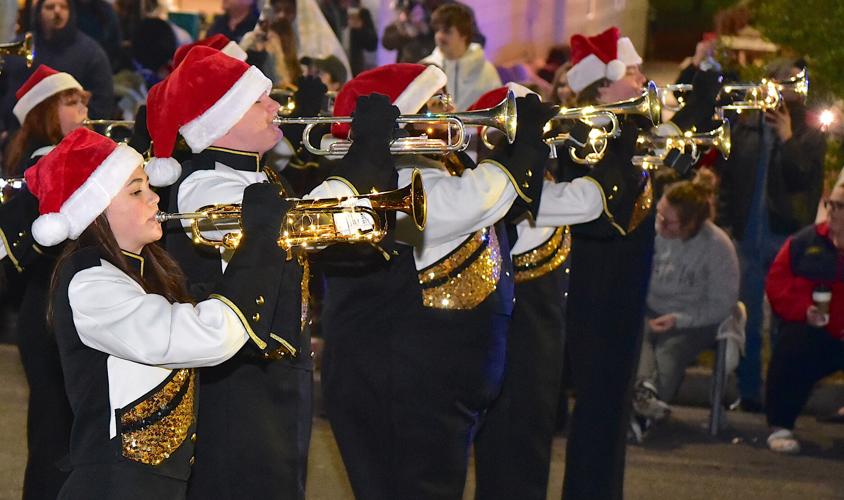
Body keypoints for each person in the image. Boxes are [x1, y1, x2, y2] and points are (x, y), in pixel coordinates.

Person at [317, 63, 629, 500]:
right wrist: (521, 146)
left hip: (437, 387)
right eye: (436, 101)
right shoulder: (399, 183)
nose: (450, 108)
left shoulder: (440, 170)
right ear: (404, 117)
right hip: (402, 386)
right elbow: (476, 200)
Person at [145, 45, 365, 500]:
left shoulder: (258, 177)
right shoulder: (205, 183)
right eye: (258, 100)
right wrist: (363, 160)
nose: (275, 107)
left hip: (273, 374)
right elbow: (289, 228)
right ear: (221, 121)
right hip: (238, 384)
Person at [26, 127, 290, 498]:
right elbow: (208, 336)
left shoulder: (145, 274)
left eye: (149, 186)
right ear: (94, 212)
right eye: (136, 191)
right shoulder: (91, 283)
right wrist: (259, 240)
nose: (153, 198)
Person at [715, 58, 827, 412]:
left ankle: (781, 392)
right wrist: (726, 224)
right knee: (747, 318)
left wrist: (787, 138)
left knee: (784, 321)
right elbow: (728, 181)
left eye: (794, 83)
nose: (788, 90)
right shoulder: (747, 127)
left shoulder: (809, 132)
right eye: (783, 81)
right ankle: (749, 390)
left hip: (786, 236)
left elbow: (800, 178)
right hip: (748, 237)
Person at [0, 65, 88, 500]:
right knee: (53, 429)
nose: (84, 109)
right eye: (71, 101)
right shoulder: (44, 164)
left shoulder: (56, 158)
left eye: (84, 100)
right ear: (44, 111)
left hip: (55, 305)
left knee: (62, 427)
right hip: (48, 309)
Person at [633, 178, 739, 430]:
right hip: (649, 309)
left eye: (668, 221)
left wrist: (680, 320)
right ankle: (644, 396)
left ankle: (642, 404)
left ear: (690, 224)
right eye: (659, 214)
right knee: (637, 340)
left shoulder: (717, 246)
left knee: (670, 354)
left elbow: (722, 303)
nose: (660, 223)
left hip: (693, 318)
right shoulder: (651, 232)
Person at [764, 173, 844, 454]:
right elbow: (777, 285)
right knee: (793, 343)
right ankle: (780, 425)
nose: (832, 211)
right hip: (814, 329)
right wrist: (803, 310)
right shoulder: (804, 242)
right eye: (831, 204)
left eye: (840, 206)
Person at [0, 0, 114, 128]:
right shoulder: (19, 46)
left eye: (63, 7)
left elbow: (102, 101)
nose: (57, 11)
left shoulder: (92, 52)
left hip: (74, 133)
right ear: (38, 12)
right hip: (18, 133)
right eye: (50, 7)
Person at [420, 3, 501, 111]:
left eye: (446, 31)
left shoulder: (487, 71)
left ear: (464, 35)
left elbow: (497, 111)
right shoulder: (426, 69)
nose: (439, 36)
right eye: (437, 30)